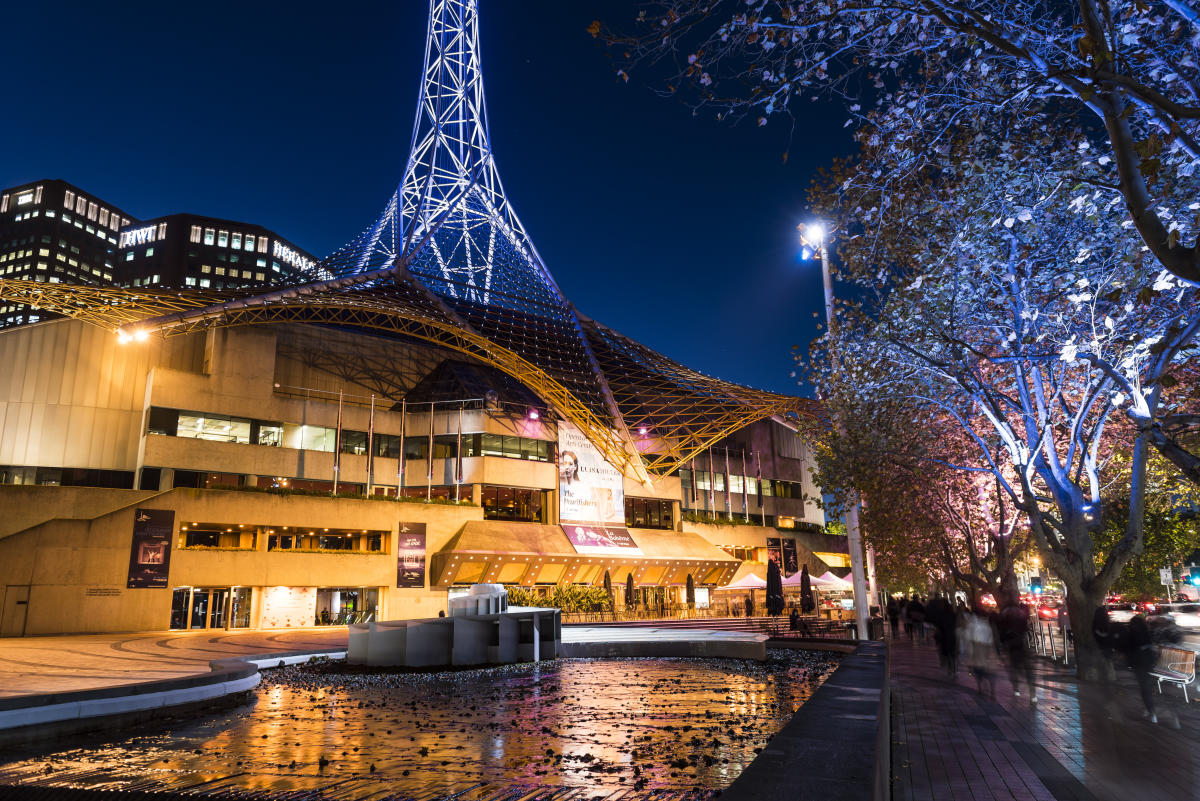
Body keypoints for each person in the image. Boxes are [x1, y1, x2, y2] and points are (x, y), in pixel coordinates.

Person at [998, 601, 1037, 703]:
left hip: (1012, 644)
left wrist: (1003, 641)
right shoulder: (1021, 613)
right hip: (1022, 643)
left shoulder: (1005, 613)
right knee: (1027, 668)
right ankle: (1032, 694)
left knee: (1014, 667)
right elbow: (1025, 627)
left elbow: (1001, 631)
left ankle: (1016, 689)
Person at [1124, 614, 1159, 723]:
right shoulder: (1147, 633)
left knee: (1144, 688)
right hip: (1148, 662)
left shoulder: (1131, 635)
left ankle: (1151, 711)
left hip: (1138, 664)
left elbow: (1128, 650)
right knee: (1146, 686)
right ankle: (1150, 710)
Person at [962, 607, 997, 697]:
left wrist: (968, 651)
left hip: (977, 649)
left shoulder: (972, 624)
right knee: (989, 671)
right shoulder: (987, 624)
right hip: (986, 648)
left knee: (978, 670)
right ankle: (992, 691)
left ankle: (981, 688)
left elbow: (968, 637)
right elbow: (991, 637)